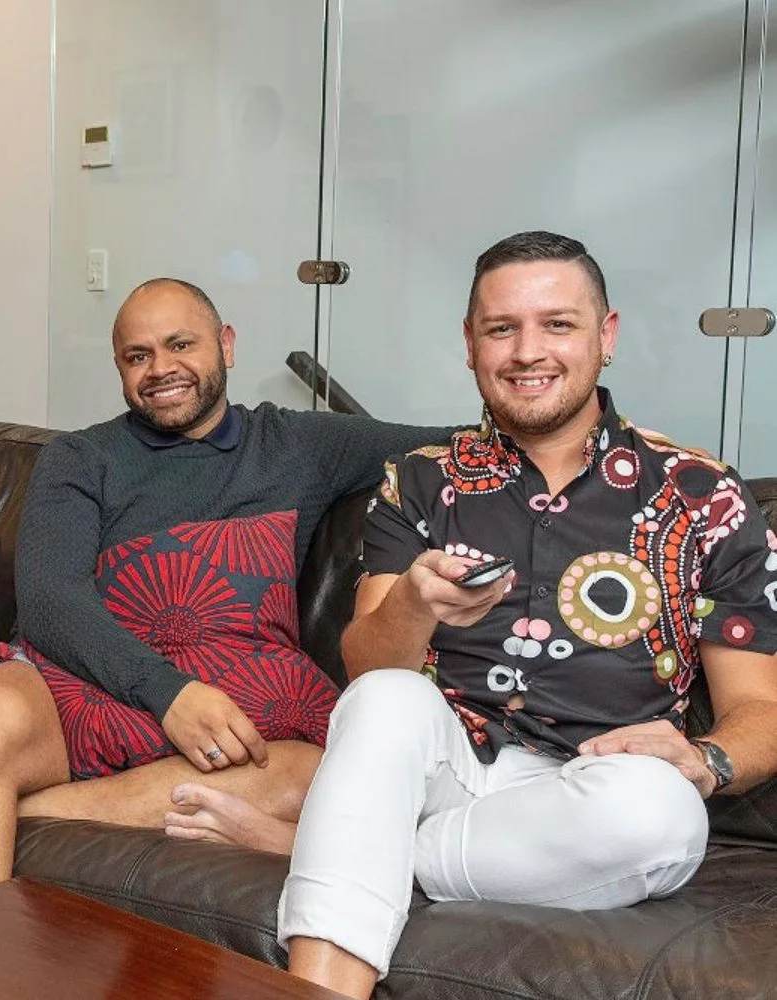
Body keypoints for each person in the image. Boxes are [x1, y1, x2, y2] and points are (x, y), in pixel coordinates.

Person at [278, 231, 777, 999]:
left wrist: (708, 761)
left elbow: (761, 709)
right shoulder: (418, 482)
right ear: (471, 344)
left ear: (605, 337)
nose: (526, 351)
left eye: (558, 324)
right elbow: (368, 675)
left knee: (666, 814)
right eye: (501, 328)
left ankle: (349, 847)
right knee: (384, 698)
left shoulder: (702, 494)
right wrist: (411, 602)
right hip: (449, 766)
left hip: (596, 792)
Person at [0, 277, 452, 908]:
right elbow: (50, 604)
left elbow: (456, 446)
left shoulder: (301, 444)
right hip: (79, 680)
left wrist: (565, 400)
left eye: (181, 344)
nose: (161, 369)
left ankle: (26, 810)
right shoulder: (80, 458)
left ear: (227, 345)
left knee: (311, 776)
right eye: (138, 356)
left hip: (234, 697)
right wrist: (169, 695)